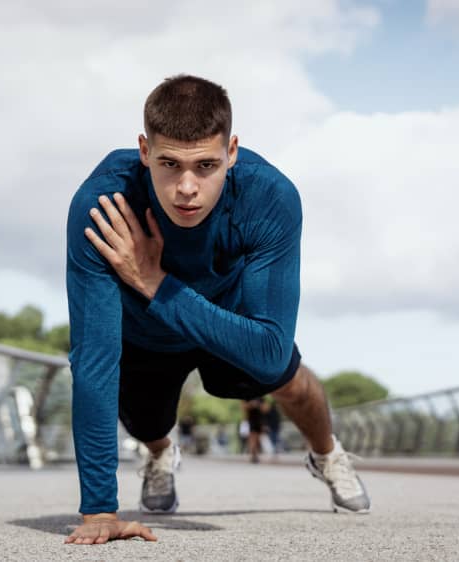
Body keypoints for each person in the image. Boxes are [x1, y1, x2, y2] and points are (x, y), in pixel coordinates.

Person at [63, 75, 371, 546]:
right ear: (144, 151)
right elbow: (94, 360)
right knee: (146, 422)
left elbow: (268, 350)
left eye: (206, 165)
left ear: (232, 152)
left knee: (289, 378)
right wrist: (99, 510)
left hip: (231, 322)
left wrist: (153, 281)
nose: (187, 187)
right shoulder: (104, 204)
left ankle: (328, 455)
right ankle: (161, 452)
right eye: (169, 164)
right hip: (148, 335)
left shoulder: (269, 197)